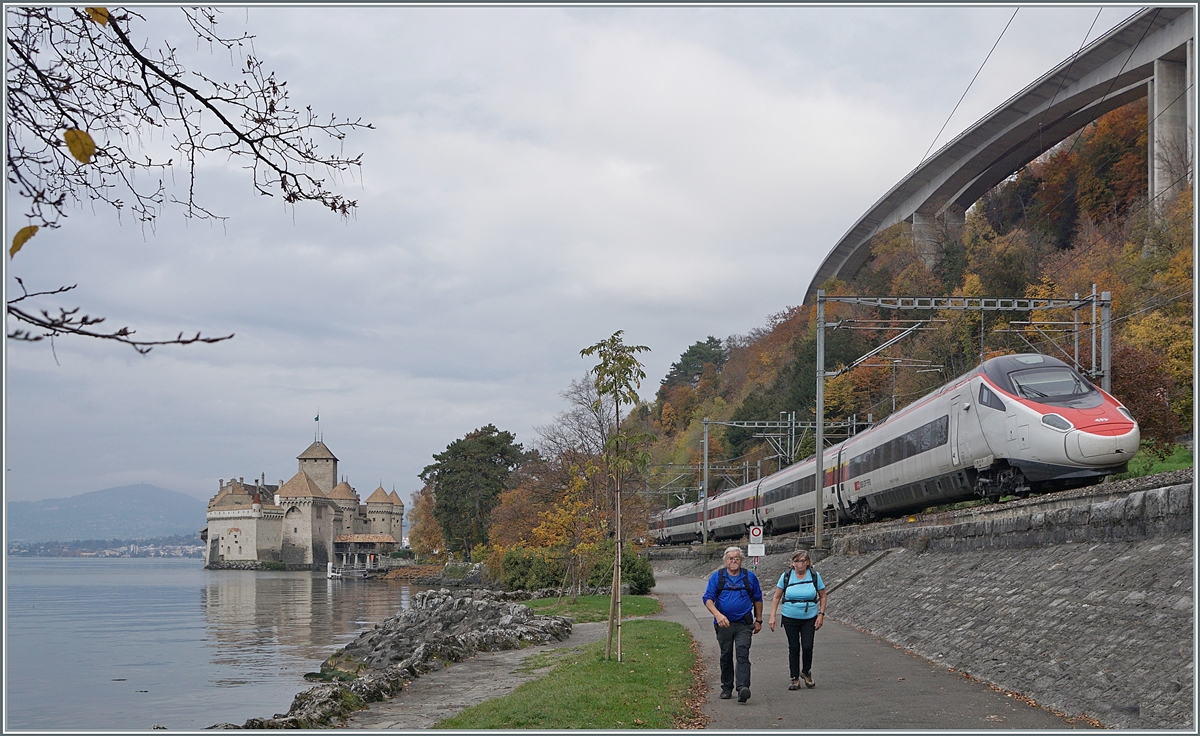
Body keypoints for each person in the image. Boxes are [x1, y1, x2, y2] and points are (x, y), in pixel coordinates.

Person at [702, 546, 764, 703]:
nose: (733, 561)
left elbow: (758, 599)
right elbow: (707, 599)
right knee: (726, 655)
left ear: (741, 560)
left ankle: (743, 687)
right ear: (725, 561)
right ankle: (726, 687)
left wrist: (759, 620)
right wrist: (718, 615)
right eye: (730, 558)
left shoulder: (749, 577)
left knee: (743, 653)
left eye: (737, 558)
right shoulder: (718, 577)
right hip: (723, 624)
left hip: (744, 623)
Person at [768, 549, 827, 690]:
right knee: (793, 647)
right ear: (792, 563)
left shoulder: (814, 575)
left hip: (809, 617)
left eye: (802, 561)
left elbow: (823, 596)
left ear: (807, 562)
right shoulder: (786, 576)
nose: (799, 565)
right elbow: (776, 597)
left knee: (807, 646)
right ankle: (794, 677)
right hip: (790, 616)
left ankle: (806, 672)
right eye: (796, 561)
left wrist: (821, 614)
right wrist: (772, 616)